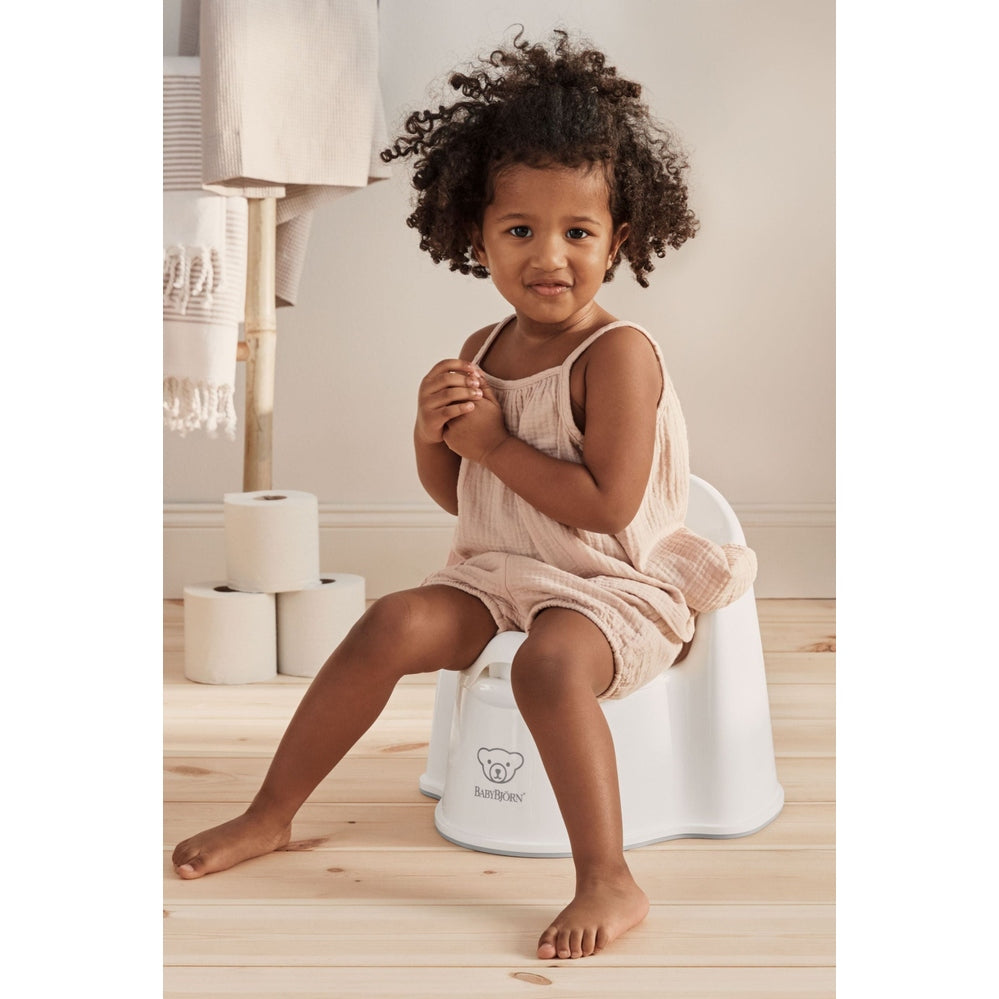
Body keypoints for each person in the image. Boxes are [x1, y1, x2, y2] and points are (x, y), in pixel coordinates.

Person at [172, 29, 757, 961]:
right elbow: (459, 494)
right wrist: (430, 433)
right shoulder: (483, 345)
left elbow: (608, 505)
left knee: (546, 668)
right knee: (387, 623)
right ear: (473, 233)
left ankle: (607, 874)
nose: (548, 256)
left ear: (621, 239)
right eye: (519, 230)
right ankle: (270, 811)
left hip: (614, 588)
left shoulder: (618, 355)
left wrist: (485, 436)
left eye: (578, 232)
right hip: (499, 573)